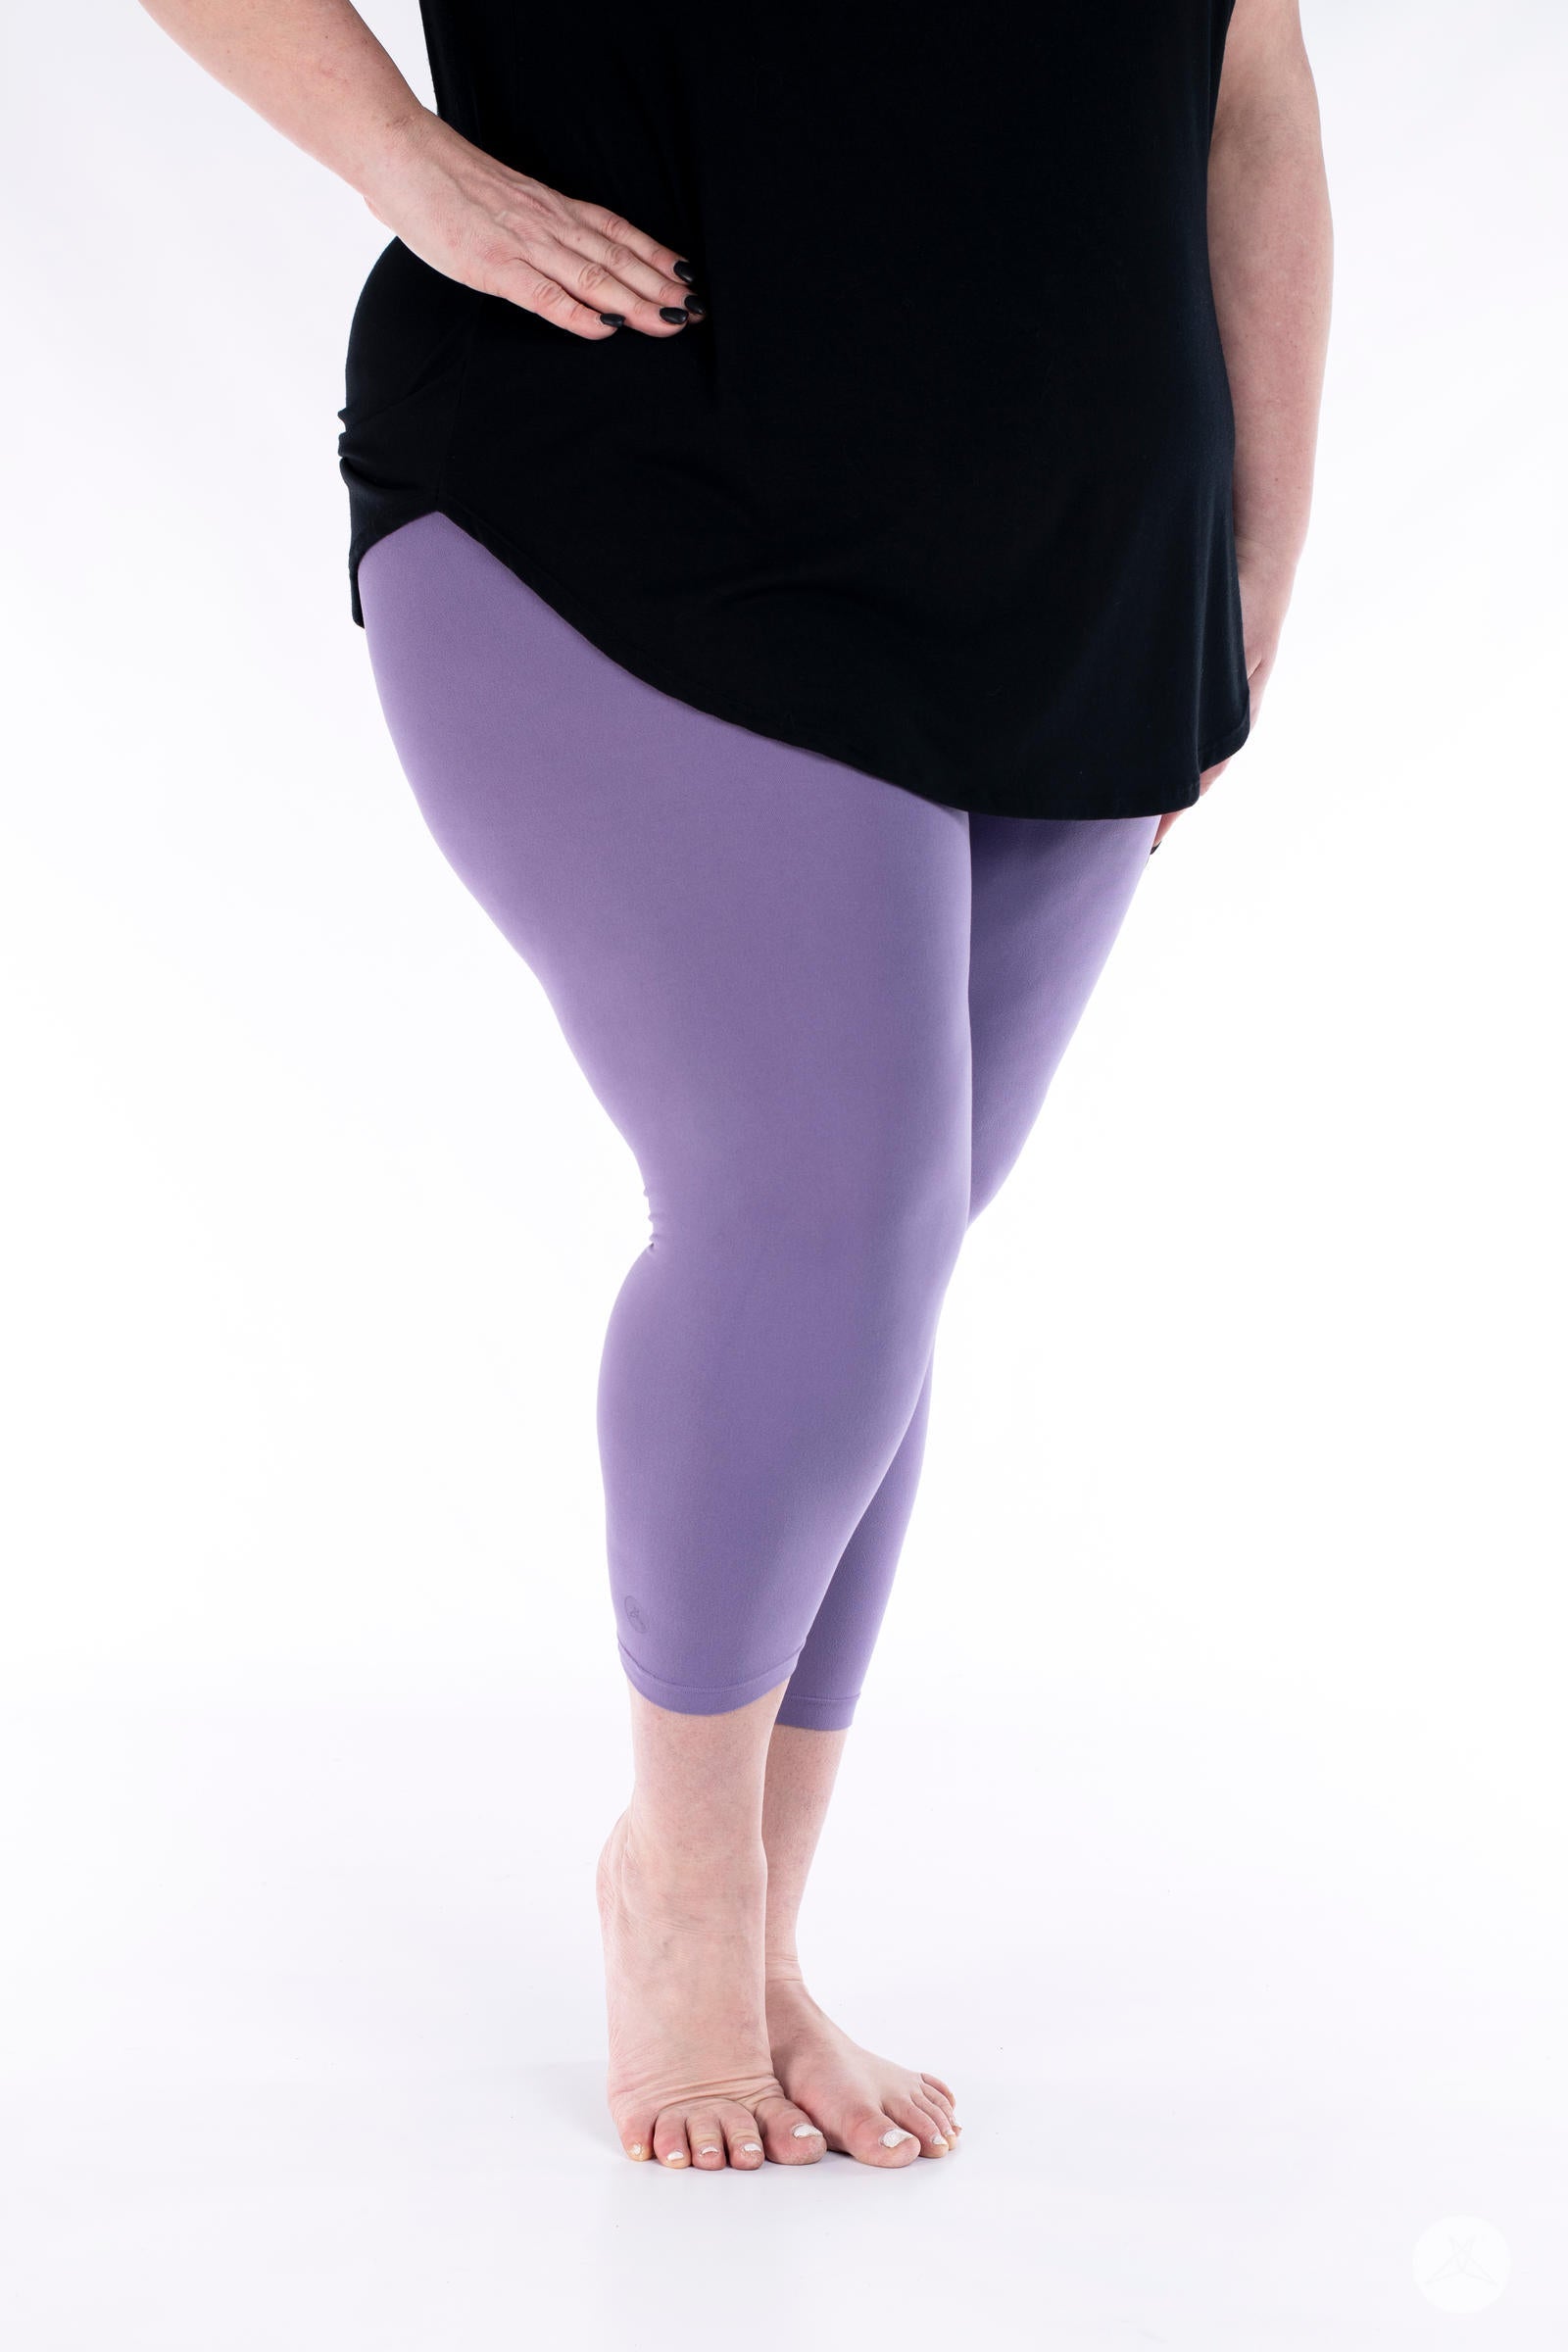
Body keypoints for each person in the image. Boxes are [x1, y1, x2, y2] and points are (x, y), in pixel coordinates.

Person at [136, 0, 1332, 2171]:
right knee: (824, 1214)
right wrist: (406, 163)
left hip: (1084, 543)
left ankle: (767, 1930)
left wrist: (1260, 541)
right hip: (635, 477)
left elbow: (1248, 86)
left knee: (882, 1264)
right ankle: (675, 1892)